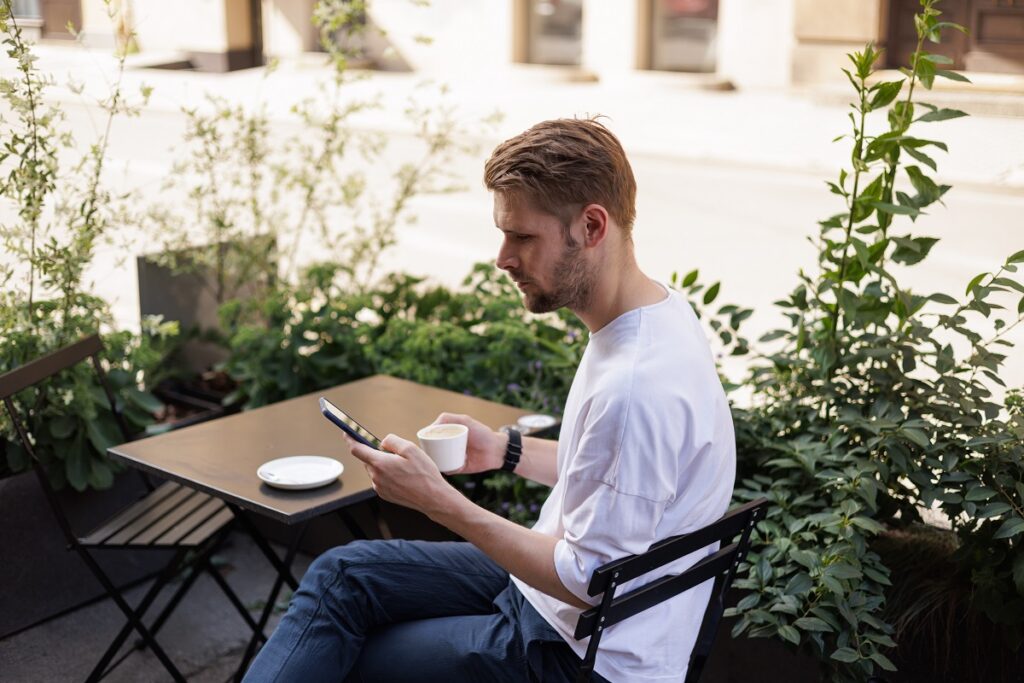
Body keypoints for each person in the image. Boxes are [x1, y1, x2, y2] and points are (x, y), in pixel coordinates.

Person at [243, 118, 736, 682]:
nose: (502, 258)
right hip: (566, 607)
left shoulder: (636, 387)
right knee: (343, 575)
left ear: (592, 225)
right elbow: (617, 476)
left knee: (351, 657)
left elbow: (587, 578)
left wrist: (440, 503)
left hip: (580, 654)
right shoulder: (659, 315)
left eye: (522, 237)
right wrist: (504, 449)